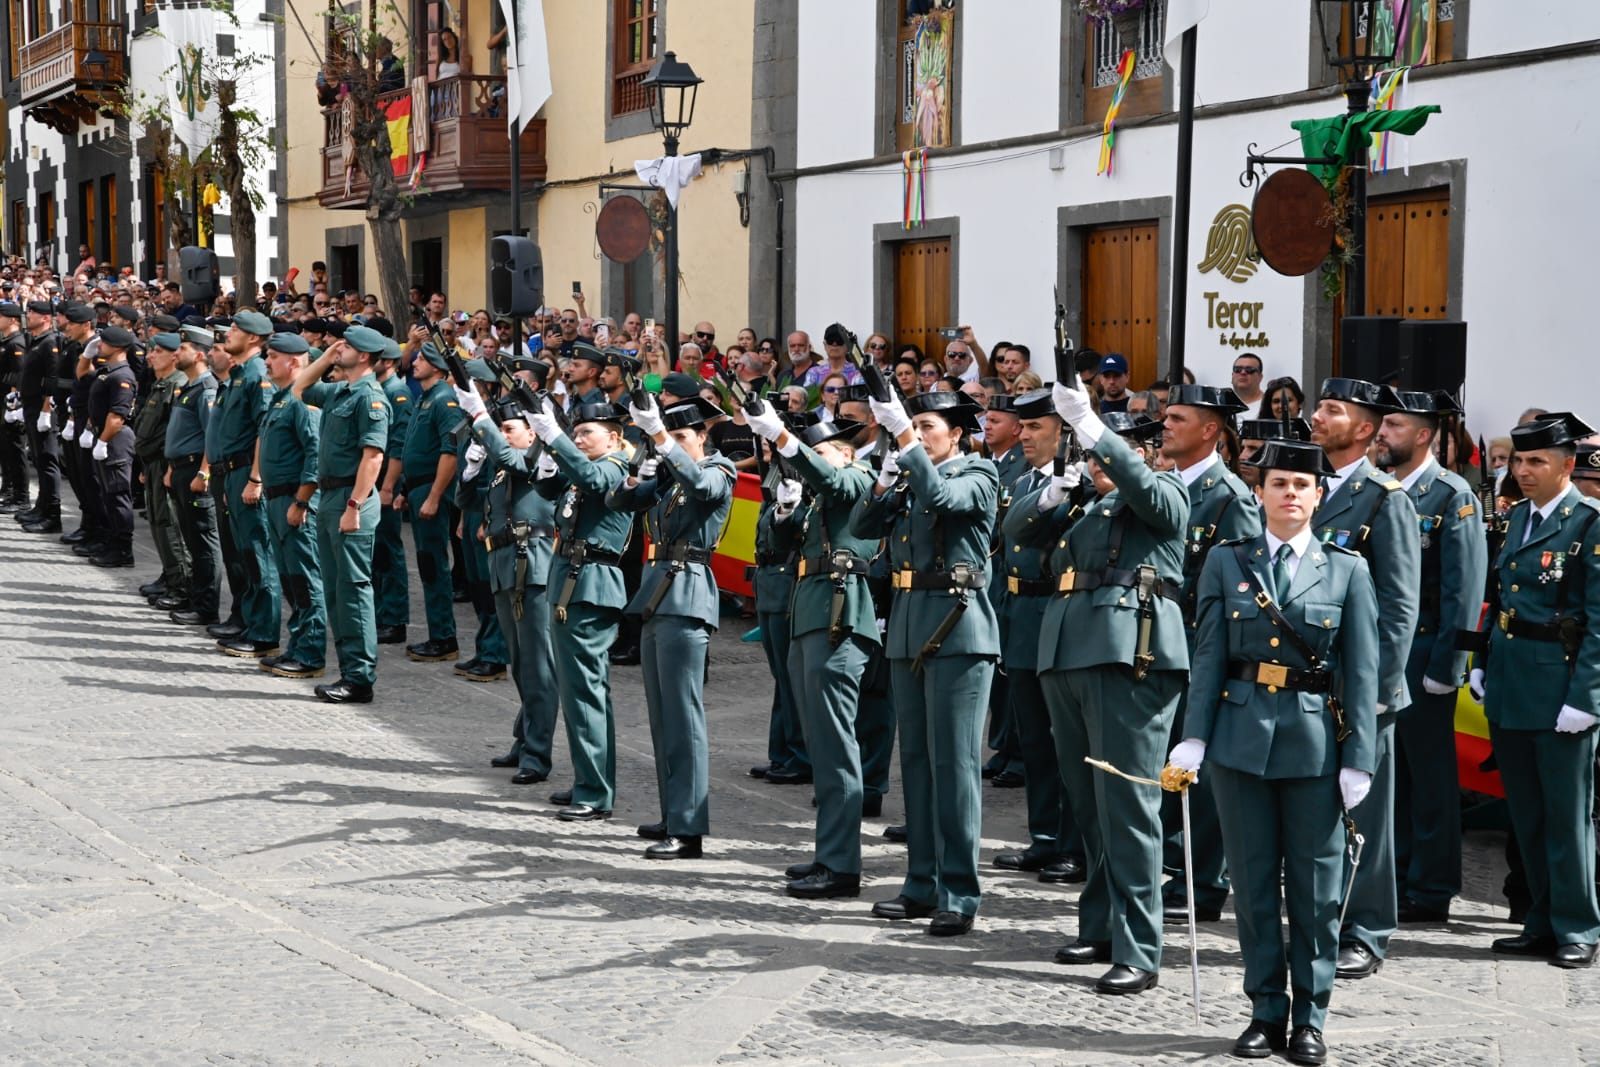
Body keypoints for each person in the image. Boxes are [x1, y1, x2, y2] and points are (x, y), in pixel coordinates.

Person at [1171, 437, 1379, 1065]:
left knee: (1316, 890)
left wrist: (1359, 758)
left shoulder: (1347, 569)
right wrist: (1194, 735)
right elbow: (1209, 653)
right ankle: (1265, 1011)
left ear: (1319, 497)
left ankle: (1310, 1018)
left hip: (1314, 746)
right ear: (1259, 493)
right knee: (1255, 886)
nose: (1290, 494)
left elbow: (1362, 672)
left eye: (1302, 486)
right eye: (1279, 484)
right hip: (1238, 743)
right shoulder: (1227, 562)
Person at [1023, 383, 1189, 993]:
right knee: (1088, 805)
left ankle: (1140, 948)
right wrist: (1056, 489)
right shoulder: (1085, 507)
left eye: (1107, 453)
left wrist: (1092, 425)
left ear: (1144, 453)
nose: (1096, 464)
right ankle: (1100, 924)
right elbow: (1018, 532)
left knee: (1129, 806)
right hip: (1070, 654)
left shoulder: (1162, 491)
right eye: (1092, 455)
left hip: (1130, 656)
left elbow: (1153, 497)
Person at [851, 389, 998, 936]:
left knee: (955, 767)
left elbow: (945, 501)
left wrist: (908, 447)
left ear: (957, 433)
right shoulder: (911, 474)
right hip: (911, 625)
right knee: (914, 758)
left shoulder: (979, 473)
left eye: (927, 424)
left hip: (959, 628)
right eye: (912, 422)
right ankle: (921, 882)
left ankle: (959, 892)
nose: (917, 431)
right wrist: (891, 472)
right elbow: (865, 526)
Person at [1467, 411, 1600, 970]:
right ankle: (1541, 920)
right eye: (1519, 460)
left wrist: (1587, 699)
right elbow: (1498, 599)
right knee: (1527, 816)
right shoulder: (1515, 518)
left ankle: (1578, 925)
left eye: (1536, 461)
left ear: (1567, 466)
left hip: (1560, 687)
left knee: (1567, 817)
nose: (1523, 471)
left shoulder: (1588, 523)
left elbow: (1598, 621)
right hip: (1511, 683)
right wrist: (1480, 659)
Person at [1309, 378, 1420, 981]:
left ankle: (1368, 929)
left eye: (1332, 410)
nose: (1316, 417)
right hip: (1311, 678)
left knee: (1366, 813)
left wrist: (1379, 687)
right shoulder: (1305, 488)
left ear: (1366, 428)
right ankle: (1322, 919)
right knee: (1317, 808)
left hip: (1362, 683)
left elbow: (1400, 607)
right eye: (1320, 406)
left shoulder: (1384, 499)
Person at [745, 404, 880, 898]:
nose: (813, 461)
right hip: (810, 613)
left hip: (839, 617)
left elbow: (836, 482)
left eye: (821, 452)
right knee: (821, 745)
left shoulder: (857, 477)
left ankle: (843, 865)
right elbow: (784, 542)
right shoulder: (822, 495)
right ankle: (829, 853)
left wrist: (783, 438)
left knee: (836, 746)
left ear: (843, 454)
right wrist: (784, 507)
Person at [607, 394, 736, 858]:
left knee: (684, 717)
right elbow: (618, 500)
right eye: (671, 436)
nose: (673, 446)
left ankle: (688, 827)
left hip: (687, 594)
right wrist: (642, 466)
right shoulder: (669, 472)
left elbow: (703, 489)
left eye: (683, 437)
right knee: (662, 716)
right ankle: (671, 812)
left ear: (701, 436)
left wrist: (662, 439)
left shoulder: (720, 470)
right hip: (656, 593)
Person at [1374, 391, 1487, 923]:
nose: (1381, 433)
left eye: (1393, 425)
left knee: (1430, 779)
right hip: (1381, 651)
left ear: (1422, 435)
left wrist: (1447, 668)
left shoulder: (1450, 495)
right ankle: (1392, 875)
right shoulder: (1380, 491)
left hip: (1423, 653)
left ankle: (1432, 885)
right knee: (1389, 776)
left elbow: (1464, 592)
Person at [1157, 384, 1261, 926]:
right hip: (1160, 646)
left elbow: (1237, 592)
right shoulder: (1166, 486)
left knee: (1199, 775)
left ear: (1210, 431)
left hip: (1200, 647)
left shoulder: (1229, 498)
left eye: (1177, 418)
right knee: (1171, 766)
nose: (1164, 425)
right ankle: (1178, 867)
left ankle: (1202, 882)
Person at [522, 397, 636, 819]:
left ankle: (594, 791)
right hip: (570, 577)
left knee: (586, 692)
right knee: (578, 692)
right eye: (577, 432)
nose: (580, 437)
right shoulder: (583, 466)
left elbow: (589, 477)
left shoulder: (613, 467)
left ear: (614, 436)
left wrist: (552, 435)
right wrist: (547, 448)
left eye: (588, 432)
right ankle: (589, 780)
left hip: (589, 585)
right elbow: (547, 486)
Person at [994, 389, 1086, 882]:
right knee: (1032, 736)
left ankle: (1073, 843)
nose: (1024, 435)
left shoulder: (1084, 482)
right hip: (1020, 611)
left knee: (1066, 736)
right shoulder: (1022, 478)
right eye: (1022, 428)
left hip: (1060, 607)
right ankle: (1044, 836)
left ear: (1063, 432)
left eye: (1035, 428)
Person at [454, 380, 561, 786]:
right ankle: (525, 737)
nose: (501, 436)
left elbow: (524, 468)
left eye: (509, 429)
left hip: (531, 565)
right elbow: (464, 502)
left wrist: (482, 423)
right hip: (502, 564)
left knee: (538, 664)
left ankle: (537, 753)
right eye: (498, 430)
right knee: (520, 663)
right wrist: (472, 465)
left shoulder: (541, 460)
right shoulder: (501, 469)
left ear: (532, 432)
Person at [291, 325, 391, 703]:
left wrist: (354, 505)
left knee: (353, 590)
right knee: (334, 590)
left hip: (352, 498)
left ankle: (360, 677)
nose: (339, 348)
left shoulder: (370, 398)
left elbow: (373, 456)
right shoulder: (340, 392)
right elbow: (299, 387)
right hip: (331, 494)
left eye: (347, 346)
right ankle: (349, 669)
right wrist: (327, 355)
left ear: (364, 356)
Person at [248, 331, 327, 679]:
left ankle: (310, 653)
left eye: (273, 357)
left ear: (294, 361)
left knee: (306, 578)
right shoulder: (282, 398)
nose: (266, 362)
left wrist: (302, 500)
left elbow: (315, 452)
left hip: (296, 501)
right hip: (277, 499)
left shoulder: (302, 401)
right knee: (290, 578)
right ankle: (297, 644)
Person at [211, 310, 282, 658]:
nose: (229, 333)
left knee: (258, 554)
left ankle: (264, 633)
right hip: (231, 471)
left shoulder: (257, 376)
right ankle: (251, 623)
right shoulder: (240, 374)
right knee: (244, 553)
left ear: (254, 338)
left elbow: (263, 432)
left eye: (237, 329)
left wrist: (256, 478)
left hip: (247, 473)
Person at [449, 360, 510, 684]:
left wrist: (488, 519)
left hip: (489, 512)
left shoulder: (496, 423)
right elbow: (467, 477)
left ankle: (495, 654)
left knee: (489, 587)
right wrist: (463, 514)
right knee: (476, 586)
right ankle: (484, 648)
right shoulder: (472, 420)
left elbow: (497, 475)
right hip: (472, 510)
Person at [164, 326, 225, 626]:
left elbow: (211, 436)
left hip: (196, 472)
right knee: (190, 537)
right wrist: (172, 468)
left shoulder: (206, 389)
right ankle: (195, 596)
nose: (176, 352)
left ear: (199, 354)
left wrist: (204, 472)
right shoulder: (188, 387)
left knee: (203, 541)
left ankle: (206, 607)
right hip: (182, 469)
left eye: (183, 348)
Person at [134, 333, 192, 607]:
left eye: (158, 351)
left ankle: (182, 585)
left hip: (167, 463)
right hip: (154, 463)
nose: (150, 355)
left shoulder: (178, 385)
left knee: (170, 525)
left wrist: (165, 465)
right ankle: (169, 576)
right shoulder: (162, 383)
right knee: (158, 522)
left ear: (173, 356)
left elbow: (173, 432)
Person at [83, 325, 139, 567]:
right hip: (103, 435)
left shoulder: (122, 376)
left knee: (117, 495)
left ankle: (123, 549)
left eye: (103, 342)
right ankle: (113, 542)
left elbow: (117, 416)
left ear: (116, 347)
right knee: (108, 493)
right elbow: (96, 403)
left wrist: (103, 441)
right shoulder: (107, 370)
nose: (99, 345)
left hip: (115, 439)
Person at [372, 341, 412, 645]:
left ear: (389, 361)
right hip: (376, 479)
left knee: (388, 551)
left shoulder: (397, 393)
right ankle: (380, 612)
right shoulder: (382, 390)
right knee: (377, 551)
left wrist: (388, 486)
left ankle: (394, 617)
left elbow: (398, 445)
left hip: (386, 479)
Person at [0, 302, 28, 513]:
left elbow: (17, 376)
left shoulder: (16, 343)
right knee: (6, 449)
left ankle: (20, 496)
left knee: (15, 449)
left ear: (12, 320)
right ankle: (9, 489)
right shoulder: (7, 341)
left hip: (10, 404)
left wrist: (13, 406)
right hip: (4, 402)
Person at [1232, 353, 1266, 418]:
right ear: (1232, 375)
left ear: (1260, 377)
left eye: (1249, 370)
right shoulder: (1222, 404)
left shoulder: (1269, 405)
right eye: (1238, 369)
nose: (1243, 372)